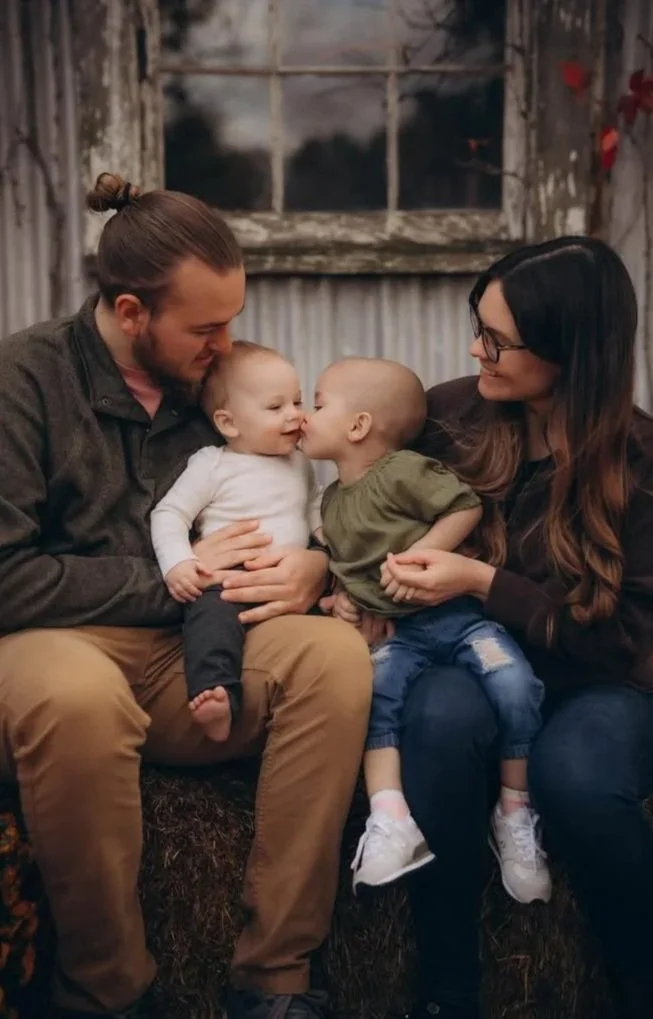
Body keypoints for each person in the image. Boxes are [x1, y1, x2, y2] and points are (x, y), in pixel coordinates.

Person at [0, 172, 372, 1019]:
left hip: (195, 650)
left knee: (333, 657)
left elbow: (292, 495)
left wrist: (315, 562)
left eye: (232, 320)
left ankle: (276, 977)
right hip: (53, 644)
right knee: (76, 697)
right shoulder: (24, 379)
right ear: (132, 313)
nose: (225, 343)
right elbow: (6, 572)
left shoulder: (217, 382)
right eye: (206, 327)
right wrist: (180, 575)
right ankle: (106, 992)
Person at [383, 237, 653, 1019]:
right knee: (435, 719)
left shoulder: (637, 462)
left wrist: (481, 580)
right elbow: (360, 501)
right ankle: (447, 987)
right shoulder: (447, 417)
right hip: (470, 668)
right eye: (478, 326)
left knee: (579, 778)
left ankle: (638, 980)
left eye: (498, 339)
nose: (476, 349)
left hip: (593, 681)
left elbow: (626, 639)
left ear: (572, 350)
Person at [304, 357, 550, 903]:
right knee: (376, 700)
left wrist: (422, 555)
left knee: (514, 684)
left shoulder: (403, 471)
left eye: (316, 405)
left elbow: (464, 507)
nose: (302, 416)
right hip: (399, 635)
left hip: (458, 620)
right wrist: (342, 602)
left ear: (358, 426)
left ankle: (514, 805)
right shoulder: (332, 504)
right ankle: (390, 819)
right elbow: (349, 569)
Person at [151, 340, 323, 742]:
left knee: (332, 628)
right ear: (229, 423)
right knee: (210, 626)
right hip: (228, 581)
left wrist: (324, 542)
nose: (294, 416)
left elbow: (313, 504)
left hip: (287, 581)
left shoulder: (298, 461)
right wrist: (178, 562)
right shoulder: (213, 465)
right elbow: (169, 513)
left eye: (297, 402)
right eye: (275, 407)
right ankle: (217, 694)